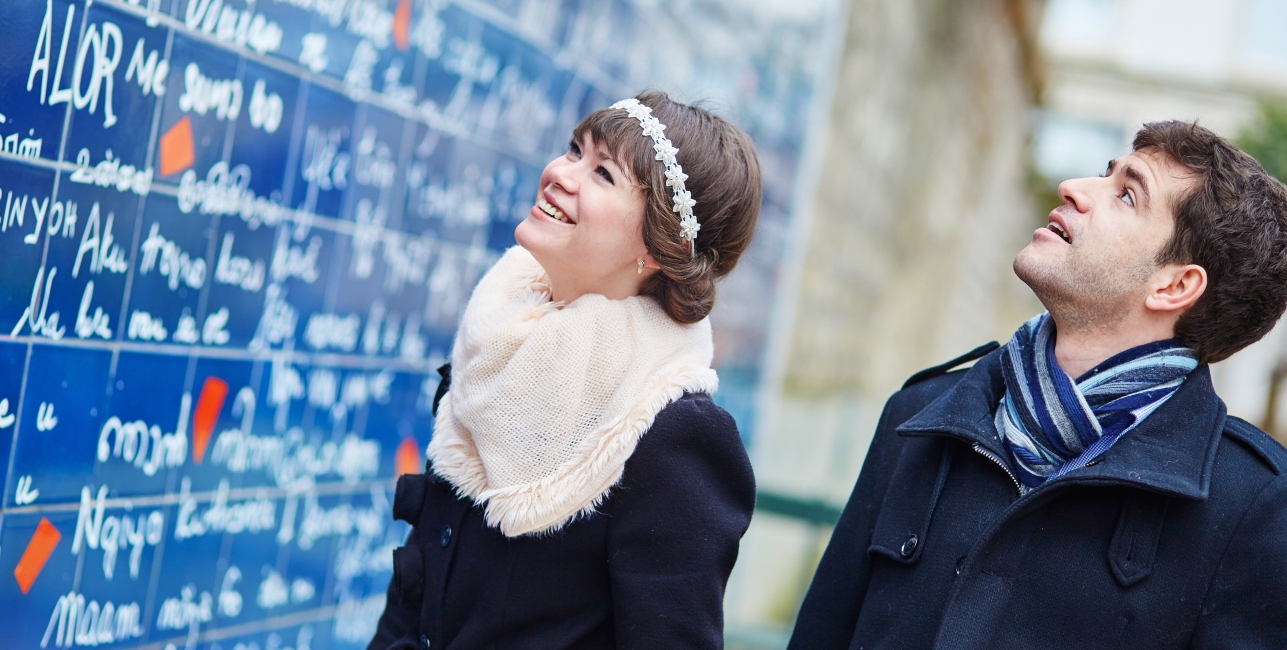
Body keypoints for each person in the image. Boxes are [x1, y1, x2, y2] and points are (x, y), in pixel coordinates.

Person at [789, 121, 1287, 649]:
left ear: (1175, 285)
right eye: (1105, 173)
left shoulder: (1253, 510)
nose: (1073, 187)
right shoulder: (919, 417)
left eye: (1126, 195)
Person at [369, 91, 763, 649]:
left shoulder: (675, 433)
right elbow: (414, 601)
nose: (560, 173)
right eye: (573, 150)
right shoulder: (498, 347)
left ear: (662, 241)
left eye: (602, 173)